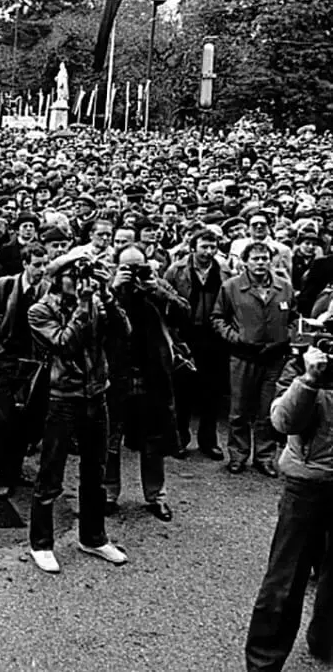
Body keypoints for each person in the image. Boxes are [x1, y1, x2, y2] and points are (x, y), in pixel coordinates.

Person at [27, 252, 131, 574]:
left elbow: (123, 331)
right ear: (59, 278)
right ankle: (41, 544)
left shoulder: (96, 302)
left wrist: (108, 297)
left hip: (96, 394)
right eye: (75, 275)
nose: (82, 282)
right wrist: (85, 307)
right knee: (51, 474)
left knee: (95, 472)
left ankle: (94, 537)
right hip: (62, 398)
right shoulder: (40, 310)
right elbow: (63, 344)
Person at [244, 342, 333, 671]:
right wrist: (310, 378)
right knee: (286, 579)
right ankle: (263, 662)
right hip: (307, 484)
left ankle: (325, 641)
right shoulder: (303, 361)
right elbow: (282, 422)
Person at [104, 245, 189, 522]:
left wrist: (155, 289)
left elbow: (183, 313)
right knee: (110, 439)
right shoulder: (105, 286)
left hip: (152, 375)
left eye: (138, 266)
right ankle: (107, 494)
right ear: (116, 266)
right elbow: (93, 321)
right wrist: (114, 289)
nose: (134, 273)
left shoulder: (157, 284)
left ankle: (156, 496)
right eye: (127, 267)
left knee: (153, 440)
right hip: (114, 374)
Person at [212, 241, 296, 476]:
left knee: (267, 410)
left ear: (271, 260)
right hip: (243, 357)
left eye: (264, 258)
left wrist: (285, 337)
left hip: (274, 357)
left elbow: (294, 317)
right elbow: (218, 318)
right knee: (239, 410)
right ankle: (238, 455)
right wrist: (235, 338)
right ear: (245, 261)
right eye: (255, 259)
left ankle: (265, 456)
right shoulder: (231, 287)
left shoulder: (284, 287)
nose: (260, 263)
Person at [0, 242, 51, 499]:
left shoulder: (47, 290)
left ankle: (17, 467)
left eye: (45, 264)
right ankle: (5, 475)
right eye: (36, 264)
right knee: (5, 420)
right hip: (7, 363)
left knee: (30, 421)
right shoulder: (3, 286)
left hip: (35, 366)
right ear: (25, 264)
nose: (41, 270)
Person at [164, 228, 231, 459]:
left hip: (213, 337)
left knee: (211, 392)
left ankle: (208, 441)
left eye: (213, 247)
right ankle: (179, 439)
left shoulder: (223, 270)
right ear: (193, 247)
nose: (208, 252)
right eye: (204, 246)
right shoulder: (176, 270)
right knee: (182, 391)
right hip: (185, 336)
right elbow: (166, 301)